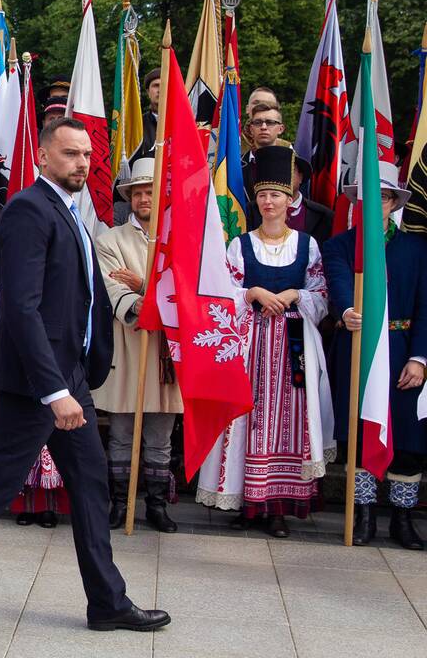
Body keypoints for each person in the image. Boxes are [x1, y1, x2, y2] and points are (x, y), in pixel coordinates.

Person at [0, 117, 170, 644]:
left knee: (90, 483)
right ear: (42, 157)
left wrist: (76, 377)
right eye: (69, 154)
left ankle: (107, 601)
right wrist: (54, 391)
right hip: (35, 384)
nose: (82, 163)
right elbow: (21, 308)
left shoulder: (69, 212)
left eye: (87, 155)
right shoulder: (27, 210)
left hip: (67, 377)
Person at [197, 164, 333, 538]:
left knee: (290, 421)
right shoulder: (240, 244)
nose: (269, 202)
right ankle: (245, 500)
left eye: (276, 195)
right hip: (251, 341)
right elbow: (223, 291)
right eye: (263, 196)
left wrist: (293, 294)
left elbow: (321, 293)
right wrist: (253, 293)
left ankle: (277, 506)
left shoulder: (308, 244)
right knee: (245, 416)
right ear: (255, 201)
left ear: (290, 201)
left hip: (294, 342)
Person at [324, 178, 427, 550]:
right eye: (369, 198)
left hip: (403, 351)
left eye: (384, 198)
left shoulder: (416, 249)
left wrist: (420, 358)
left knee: (408, 438)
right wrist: (347, 310)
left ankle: (402, 519)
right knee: (360, 431)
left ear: (394, 204)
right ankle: (362, 514)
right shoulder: (341, 245)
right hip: (359, 348)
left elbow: (425, 306)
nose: (376, 205)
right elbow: (337, 282)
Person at [93, 157, 182, 533]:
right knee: (122, 433)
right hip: (127, 347)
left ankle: (157, 506)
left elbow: (186, 292)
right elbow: (112, 290)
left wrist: (143, 286)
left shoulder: (181, 239)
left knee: (160, 437)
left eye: (151, 191)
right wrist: (151, 298)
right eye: (138, 192)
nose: (145, 198)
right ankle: (119, 503)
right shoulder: (109, 240)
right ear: (129, 197)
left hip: (166, 352)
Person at [246, 146, 334, 245]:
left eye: (287, 171)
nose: (281, 177)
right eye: (275, 170)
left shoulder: (323, 216)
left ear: (301, 176)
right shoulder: (248, 212)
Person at [141, 69, 160, 152]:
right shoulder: (137, 125)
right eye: (156, 85)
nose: (160, 90)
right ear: (148, 92)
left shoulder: (184, 124)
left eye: (165, 85)